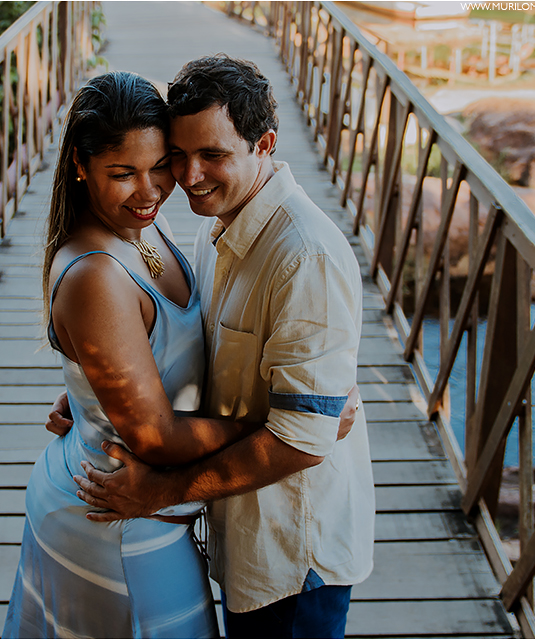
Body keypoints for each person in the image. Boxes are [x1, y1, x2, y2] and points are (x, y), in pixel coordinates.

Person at [73, 55, 375, 639]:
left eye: (212, 154)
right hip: (240, 530)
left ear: (264, 145)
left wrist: (161, 492)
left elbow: (304, 439)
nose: (189, 176)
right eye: (178, 155)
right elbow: (202, 348)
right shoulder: (218, 225)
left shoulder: (304, 258)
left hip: (292, 556)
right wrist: (96, 388)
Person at [2, 70, 285, 639]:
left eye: (161, 165)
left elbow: (150, 350)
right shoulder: (96, 276)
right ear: (80, 165)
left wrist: (88, 390)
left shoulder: (145, 225)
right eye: (122, 173)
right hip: (114, 516)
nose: (150, 190)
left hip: (144, 507)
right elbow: (155, 437)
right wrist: (284, 426)